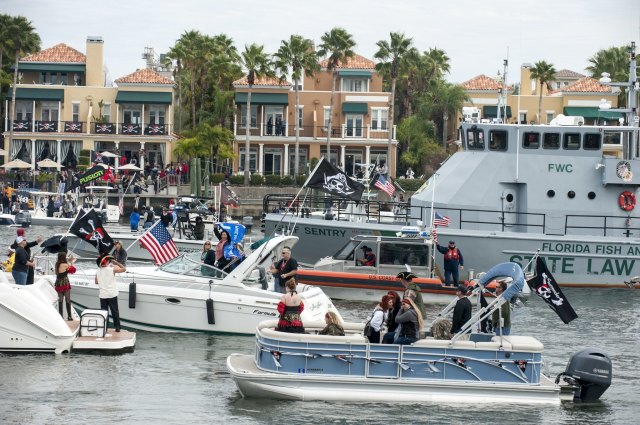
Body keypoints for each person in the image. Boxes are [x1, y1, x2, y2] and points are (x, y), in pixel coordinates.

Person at [95, 254, 126, 332]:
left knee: (104, 312)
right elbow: (124, 269)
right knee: (114, 311)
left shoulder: (98, 270)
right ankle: (117, 327)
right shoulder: (111, 269)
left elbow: (96, 282)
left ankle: (105, 327)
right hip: (112, 294)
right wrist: (116, 262)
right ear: (107, 261)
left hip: (103, 295)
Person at [54, 252, 76, 320]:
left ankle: (61, 316)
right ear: (64, 257)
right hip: (65, 283)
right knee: (67, 300)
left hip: (58, 283)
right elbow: (73, 270)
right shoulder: (65, 265)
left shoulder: (57, 264)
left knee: (60, 300)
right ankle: (69, 317)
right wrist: (71, 262)